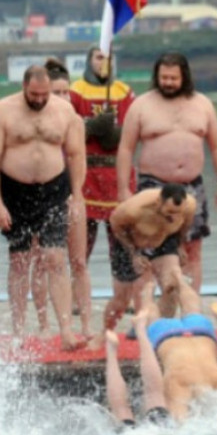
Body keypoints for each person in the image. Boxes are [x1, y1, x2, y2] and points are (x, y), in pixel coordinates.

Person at [0, 66, 86, 350]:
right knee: (20, 261)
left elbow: (76, 155)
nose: (40, 100)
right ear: (24, 87)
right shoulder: (2, 111)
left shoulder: (64, 111)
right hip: (14, 190)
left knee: (55, 258)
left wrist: (77, 195)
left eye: (45, 94)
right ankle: (18, 331)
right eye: (34, 94)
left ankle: (65, 331)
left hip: (54, 190)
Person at [117, 53, 217, 293]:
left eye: (173, 78)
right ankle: (147, 308)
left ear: (184, 77)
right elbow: (126, 148)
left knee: (192, 249)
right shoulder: (141, 105)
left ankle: (190, 306)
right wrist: (123, 189)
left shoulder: (203, 104)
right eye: (164, 77)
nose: (168, 82)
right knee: (146, 247)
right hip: (152, 186)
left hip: (191, 186)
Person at [26, 60, 93, 337]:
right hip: (40, 195)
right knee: (42, 261)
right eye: (58, 92)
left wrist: (76, 195)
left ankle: (86, 325)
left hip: (70, 192)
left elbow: (80, 160)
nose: (64, 97)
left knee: (78, 261)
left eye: (67, 92)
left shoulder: (74, 120)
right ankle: (44, 324)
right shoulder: (34, 121)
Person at [86, 183, 195, 350]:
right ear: (158, 202)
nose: (173, 217)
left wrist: (180, 246)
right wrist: (134, 253)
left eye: (177, 213)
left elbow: (185, 225)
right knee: (121, 300)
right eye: (169, 212)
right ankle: (105, 332)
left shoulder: (189, 206)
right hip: (130, 241)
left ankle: (161, 333)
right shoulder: (133, 209)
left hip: (163, 239)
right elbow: (116, 226)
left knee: (172, 286)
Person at [69, 48, 135, 312]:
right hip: (86, 174)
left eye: (108, 57)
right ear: (89, 61)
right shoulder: (76, 91)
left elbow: (132, 128)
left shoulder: (123, 92)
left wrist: (116, 133)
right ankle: (76, 298)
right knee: (80, 242)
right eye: (98, 57)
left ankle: (124, 298)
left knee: (122, 241)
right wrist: (91, 127)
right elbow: (67, 131)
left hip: (117, 174)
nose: (103, 62)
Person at [137, 274, 217, 422]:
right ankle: (154, 290)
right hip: (168, 338)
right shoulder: (185, 381)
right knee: (153, 317)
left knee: (193, 309)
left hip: (200, 334)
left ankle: (170, 282)